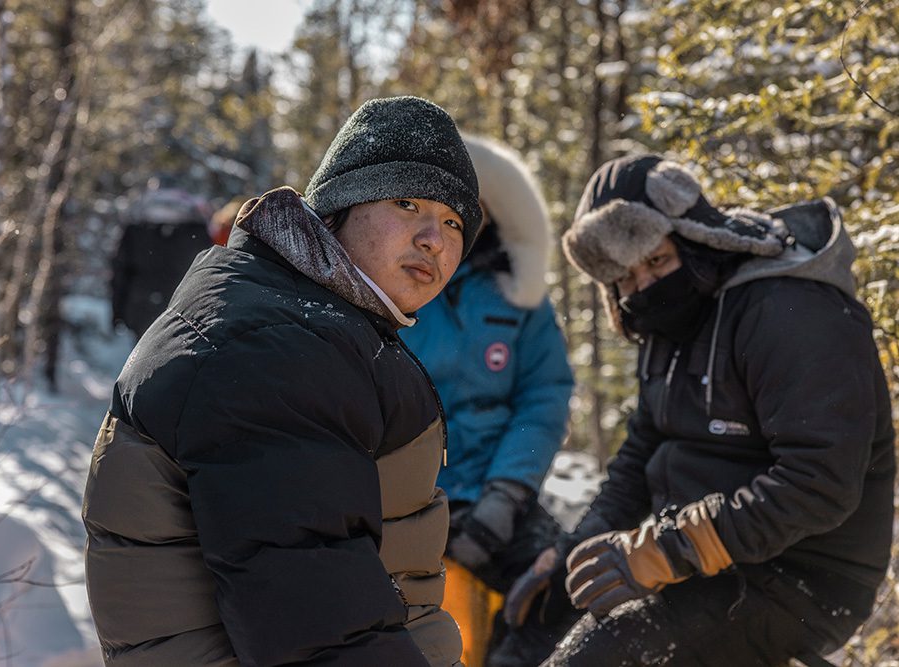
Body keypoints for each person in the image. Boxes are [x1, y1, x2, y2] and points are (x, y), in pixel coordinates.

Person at [82, 96, 483, 666]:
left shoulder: (303, 320)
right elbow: (319, 634)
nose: (433, 239)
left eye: (453, 221)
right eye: (406, 201)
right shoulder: (278, 346)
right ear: (339, 206)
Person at [504, 155, 895, 666]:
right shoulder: (669, 327)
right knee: (529, 640)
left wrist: (665, 550)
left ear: (696, 241)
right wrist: (574, 554)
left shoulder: (789, 310)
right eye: (625, 275)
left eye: (657, 261)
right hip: (702, 561)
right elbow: (643, 451)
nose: (644, 286)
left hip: (803, 573)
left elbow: (818, 482)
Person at [400, 135, 574, 666]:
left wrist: (506, 492)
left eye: (462, 208)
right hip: (395, 501)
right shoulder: (381, 283)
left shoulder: (518, 295)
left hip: (492, 495)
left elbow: (544, 395)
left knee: (564, 592)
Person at [110, 185, 213, 338]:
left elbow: (121, 272)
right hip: (184, 309)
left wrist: (117, 312)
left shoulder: (136, 225)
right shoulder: (195, 226)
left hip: (142, 306)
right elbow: (208, 273)